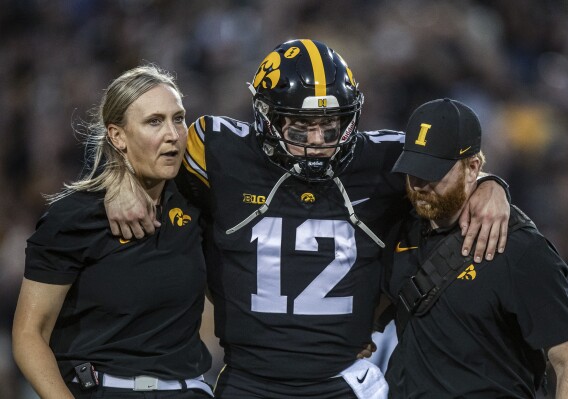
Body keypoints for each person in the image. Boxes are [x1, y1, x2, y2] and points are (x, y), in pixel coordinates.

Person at [105, 39, 511, 398]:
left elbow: (453, 170)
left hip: (345, 378)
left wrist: (491, 184)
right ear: (266, 118)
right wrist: (119, 177)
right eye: (300, 127)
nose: (318, 141)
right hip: (248, 377)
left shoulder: (386, 160)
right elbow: (148, 151)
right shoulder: (215, 148)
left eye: (330, 125)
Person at [12, 65, 214, 398]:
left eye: (178, 118)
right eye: (154, 121)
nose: (173, 134)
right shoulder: (75, 216)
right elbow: (29, 334)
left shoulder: (199, 203)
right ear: (117, 135)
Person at [385, 98, 568, 398]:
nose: (419, 185)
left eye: (433, 173)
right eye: (413, 170)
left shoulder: (519, 249)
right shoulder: (401, 229)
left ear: (473, 167)